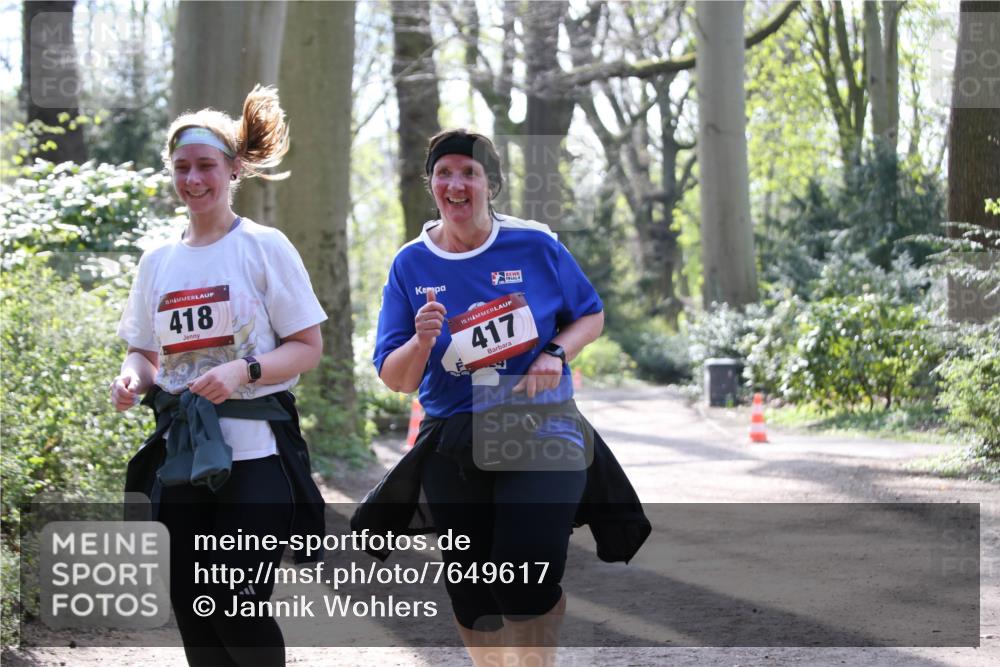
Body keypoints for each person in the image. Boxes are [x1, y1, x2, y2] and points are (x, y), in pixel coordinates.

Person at [369, 128, 625, 666]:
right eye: (445, 173)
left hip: (539, 421)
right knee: (472, 590)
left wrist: (555, 350)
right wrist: (421, 341)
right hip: (454, 434)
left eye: (470, 173)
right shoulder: (410, 265)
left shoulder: (533, 243)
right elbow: (395, 379)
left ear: (492, 185)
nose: (456, 184)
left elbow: (591, 314)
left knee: (524, 568)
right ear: (430, 184)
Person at [111, 85, 326, 667]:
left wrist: (244, 369)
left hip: (255, 457)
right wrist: (132, 380)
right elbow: (144, 353)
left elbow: (308, 347)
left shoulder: (263, 247)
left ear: (233, 169)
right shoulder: (157, 261)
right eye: (182, 168)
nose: (194, 179)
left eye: (206, 165)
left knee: (234, 605)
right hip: (180, 460)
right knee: (192, 609)